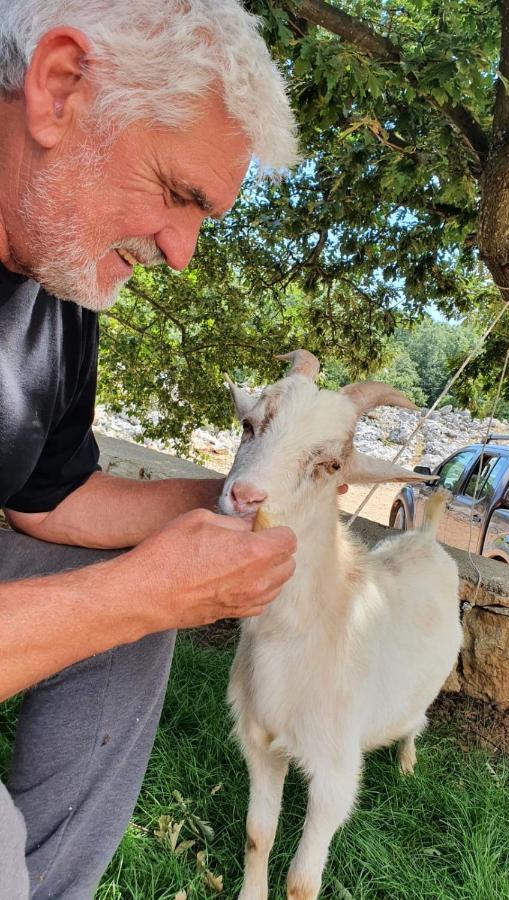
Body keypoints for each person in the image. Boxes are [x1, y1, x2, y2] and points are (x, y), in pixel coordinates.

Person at [0, 2, 300, 896]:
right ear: (58, 88)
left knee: (133, 623)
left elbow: (46, 500)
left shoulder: (59, 282)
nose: (182, 253)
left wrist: (251, 499)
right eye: (177, 193)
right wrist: (137, 593)